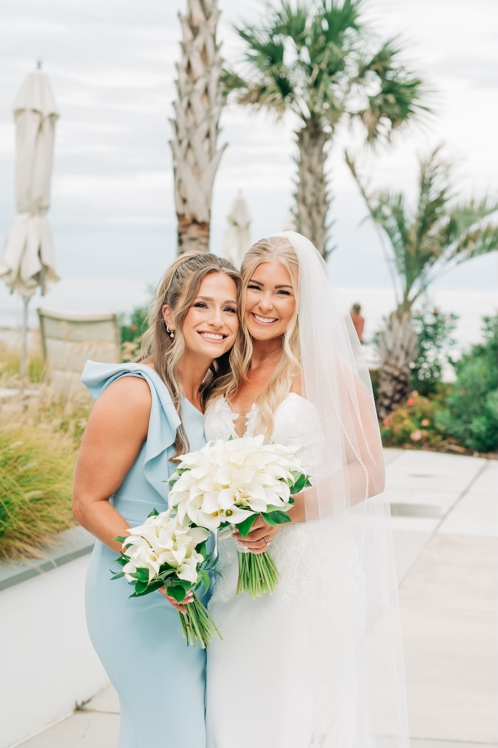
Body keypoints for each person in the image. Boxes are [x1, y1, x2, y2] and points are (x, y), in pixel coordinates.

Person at [203, 233, 407, 747]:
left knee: (298, 712)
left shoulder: (325, 371)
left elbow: (370, 470)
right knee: (234, 708)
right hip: (232, 570)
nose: (265, 304)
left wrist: (288, 510)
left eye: (283, 292)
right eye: (255, 287)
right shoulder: (218, 374)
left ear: (303, 303)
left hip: (307, 573)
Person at [73, 253, 241, 748]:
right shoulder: (134, 392)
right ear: (170, 315)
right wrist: (161, 567)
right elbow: (86, 503)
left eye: (229, 309)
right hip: (140, 597)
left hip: (197, 598)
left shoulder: (214, 398)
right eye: (202, 305)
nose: (217, 320)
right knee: (169, 734)